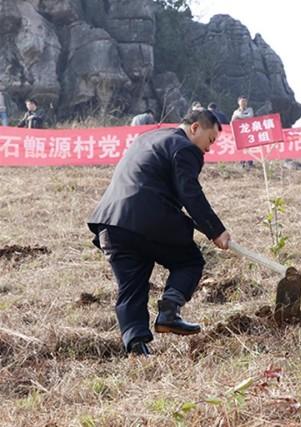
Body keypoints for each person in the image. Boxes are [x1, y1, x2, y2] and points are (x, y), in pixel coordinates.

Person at [88, 109, 231, 356]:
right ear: (195, 128)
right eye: (210, 141)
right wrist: (216, 230)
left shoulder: (146, 138)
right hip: (148, 220)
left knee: (131, 287)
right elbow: (190, 193)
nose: (208, 149)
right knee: (190, 262)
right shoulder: (185, 148)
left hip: (111, 224)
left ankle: (136, 348)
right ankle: (169, 311)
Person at [231, 96, 255, 169]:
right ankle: (242, 163)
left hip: (249, 132)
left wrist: (239, 116)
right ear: (238, 103)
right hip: (239, 133)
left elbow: (250, 116)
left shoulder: (250, 109)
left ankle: (250, 163)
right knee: (241, 148)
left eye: (245, 101)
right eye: (242, 101)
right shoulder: (235, 111)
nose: (243, 103)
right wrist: (242, 116)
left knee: (249, 147)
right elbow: (232, 121)